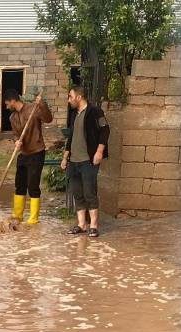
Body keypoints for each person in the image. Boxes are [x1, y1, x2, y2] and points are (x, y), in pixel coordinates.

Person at [61, 85, 109, 238]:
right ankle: (82, 224)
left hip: (88, 160)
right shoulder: (75, 114)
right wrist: (65, 157)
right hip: (73, 161)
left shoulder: (95, 112)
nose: (69, 100)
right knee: (77, 193)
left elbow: (105, 130)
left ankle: (93, 225)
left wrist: (99, 151)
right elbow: (71, 137)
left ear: (79, 97)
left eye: (70, 96)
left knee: (90, 193)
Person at [4, 87, 53, 224]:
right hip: (23, 153)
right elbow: (15, 134)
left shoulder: (33, 108)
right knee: (19, 184)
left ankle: (33, 218)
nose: (7, 107)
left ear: (13, 101)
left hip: (36, 152)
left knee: (33, 185)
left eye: (7, 104)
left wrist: (42, 105)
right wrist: (16, 141)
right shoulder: (12, 117)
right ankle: (18, 215)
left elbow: (48, 119)